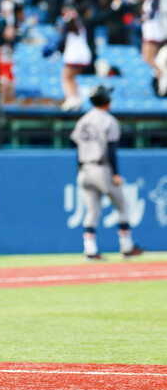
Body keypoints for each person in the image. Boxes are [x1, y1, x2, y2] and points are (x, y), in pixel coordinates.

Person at [69, 85, 144, 261]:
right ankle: (126, 246)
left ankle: (90, 250)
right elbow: (111, 150)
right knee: (122, 206)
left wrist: (81, 165)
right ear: (106, 101)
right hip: (102, 168)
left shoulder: (83, 120)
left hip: (84, 169)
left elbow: (76, 144)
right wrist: (115, 174)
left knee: (92, 211)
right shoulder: (108, 120)